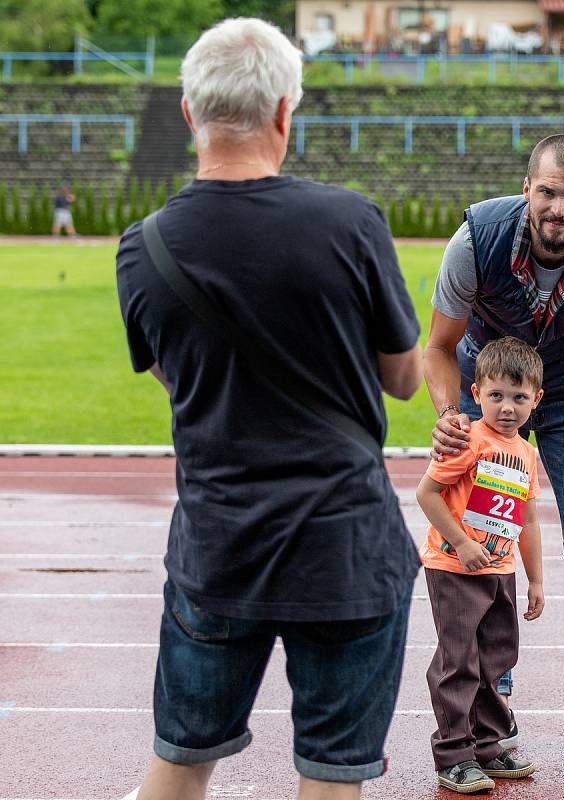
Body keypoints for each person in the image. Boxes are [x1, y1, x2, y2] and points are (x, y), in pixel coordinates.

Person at [115, 18, 423, 800]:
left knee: (177, 770)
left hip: (218, 550)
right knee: (329, 780)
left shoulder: (143, 246)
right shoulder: (351, 221)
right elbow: (404, 378)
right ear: (287, 110)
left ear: (190, 113)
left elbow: (175, 379)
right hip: (343, 548)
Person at [424, 133, 564, 764]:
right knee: (484, 542)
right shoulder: (477, 239)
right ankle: (494, 700)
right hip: (489, 391)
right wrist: (450, 416)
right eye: (547, 191)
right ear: (527, 189)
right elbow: (438, 348)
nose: (558, 207)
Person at [416, 337, 545, 793]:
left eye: (518, 397)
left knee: (496, 658)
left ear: (536, 399)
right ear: (476, 394)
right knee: (459, 661)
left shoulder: (527, 454)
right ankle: (454, 755)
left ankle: (489, 746)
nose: (506, 408)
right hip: (454, 567)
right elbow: (426, 494)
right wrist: (462, 543)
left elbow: (527, 518)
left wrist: (535, 579)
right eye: (496, 396)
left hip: (500, 570)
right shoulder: (467, 439)